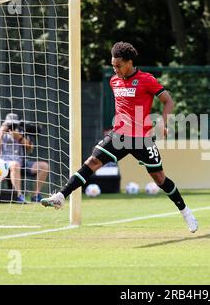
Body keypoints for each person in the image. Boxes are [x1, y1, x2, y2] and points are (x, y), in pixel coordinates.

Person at [41, 41, 198, 233]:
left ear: (129, 62)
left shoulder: (146, 79)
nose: (115, 69)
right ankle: (61, 196)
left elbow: (168, 101)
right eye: (113, 65)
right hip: (119, 135)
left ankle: (185, 211)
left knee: (159, 178)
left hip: (142, 138)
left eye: (118, 65)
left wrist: (162, 123)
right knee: (92, 162)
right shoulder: (114, 81)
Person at [0, 113, 50, 203]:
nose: (11, 126)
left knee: (44, 166)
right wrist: (3, 129)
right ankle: (18, 195)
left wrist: (19, 138)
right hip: (5, 163)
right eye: (9, 124)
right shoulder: (1, 132)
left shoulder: (20, 132)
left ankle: (35, 195)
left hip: (22, 162)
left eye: (13, 124)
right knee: (15, 165)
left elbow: (30, 148)